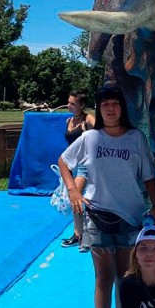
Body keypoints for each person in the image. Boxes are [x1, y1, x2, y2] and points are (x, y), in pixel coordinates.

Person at [58, 86, 155, 308]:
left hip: (130, 217)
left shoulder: (136, 138)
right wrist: (73, 191)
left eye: (116, 104)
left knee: (125, 278)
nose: (111, 109)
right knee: (103, 277)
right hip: (98, 215)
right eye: (106, 105)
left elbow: (149, 176)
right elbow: (64, 161)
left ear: (122, 108)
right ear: (100, 109)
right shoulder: (90, 138)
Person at [60, 89, 96, 252]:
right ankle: (80, 233)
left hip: (86, 165)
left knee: (76, 197)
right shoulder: (69, 120)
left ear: (82, 105)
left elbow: (102, 135)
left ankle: (82, 235)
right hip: (72, 165)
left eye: (73, 103)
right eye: (68, 102)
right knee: (76, 198)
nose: (69, 105)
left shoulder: (88, 120)